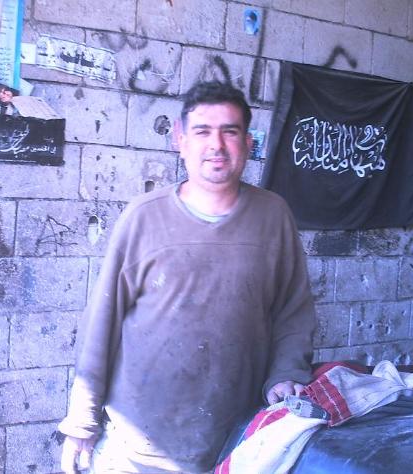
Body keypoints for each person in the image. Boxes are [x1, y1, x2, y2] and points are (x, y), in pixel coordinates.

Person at [58, 80, 316, 473]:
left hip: (236, 440)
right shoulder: (143, 216)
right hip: (137, 444)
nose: (216, 145)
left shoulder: (273, 215)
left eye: (230, 131)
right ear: (180, 141)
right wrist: (82, 421)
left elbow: (292, 312)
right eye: (202, 132)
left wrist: (286, 374)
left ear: (248, 143)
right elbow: (101, 323)